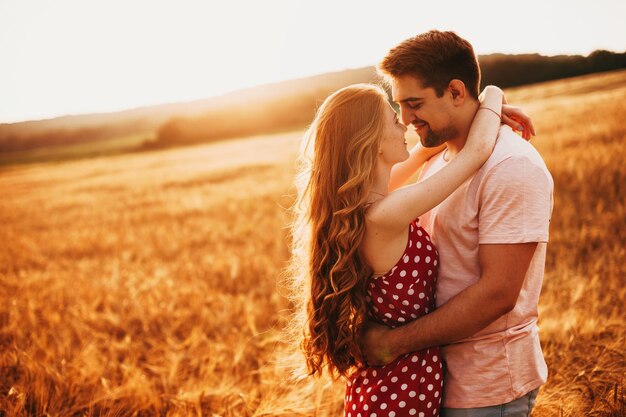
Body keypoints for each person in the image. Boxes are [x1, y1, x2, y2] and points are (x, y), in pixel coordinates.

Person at [289, 79, 533, 416]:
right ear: (372, 142)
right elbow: (475, 154)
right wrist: (492, 93)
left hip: (387, 381)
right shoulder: (386, 213)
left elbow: (426, 149)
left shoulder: (363, 203)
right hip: (400, 384)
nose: (403, 122)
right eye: (393, 119)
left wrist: (477, 114)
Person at [360, 30, 553, 417]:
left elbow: (498, 294)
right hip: (430, 380)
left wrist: (393, 344)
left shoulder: (510, 167)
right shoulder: (436, 158)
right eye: (400, 106)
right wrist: (493, 101)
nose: (406, 119)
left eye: (414, 103)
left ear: (456, 91)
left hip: (486, 386)